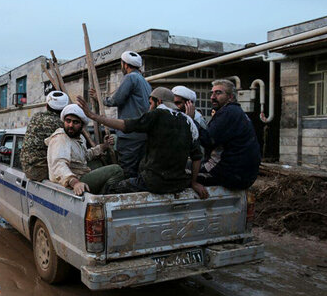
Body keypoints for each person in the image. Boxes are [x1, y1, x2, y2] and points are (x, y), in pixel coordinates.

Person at [77, 88, 208, 198]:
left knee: (112, 189)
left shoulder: (157, 114)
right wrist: (194, 182)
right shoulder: (189, 121)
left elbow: (124, 125)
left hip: (153, 182)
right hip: (178, 184)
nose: (149, 107)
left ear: (159, 102)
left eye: (151, 103)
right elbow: (197, 157)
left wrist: (93, 116)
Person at [185, 79, 261, 190]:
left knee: (180, 174)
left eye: (218, 93)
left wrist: (191, 120)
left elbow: (207, 140)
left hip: (230, 175)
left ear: (230, 97)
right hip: (243, 175)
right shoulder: (237, 112)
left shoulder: (228, 112)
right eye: (212, 93)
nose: (212, 97)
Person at [89, 50, 151, 178]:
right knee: (139, 170)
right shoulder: (145, 82)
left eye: (121, 64)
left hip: (129, 135)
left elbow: (116, 100)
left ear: (125, 65)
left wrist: (99, 98)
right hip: (142, 135)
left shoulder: (130, 77)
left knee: (126, 171)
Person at [45, 104, 124, 196]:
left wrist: (104, 146)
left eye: (75, 122)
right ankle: (102, 198)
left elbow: (85, 155)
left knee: (98, 163)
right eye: (68, 121)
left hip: (80, 173)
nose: (71, 125)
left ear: (82, 125)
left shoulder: (79, 138)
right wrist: (75, 182)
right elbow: (59, 165)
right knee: (116, 170)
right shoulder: (60, 138)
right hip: (70, 181)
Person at [20, 91, 68, 181]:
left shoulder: (36, 117)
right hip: (41, 171)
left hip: (27, 168)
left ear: (46, 106)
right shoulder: (61, 125)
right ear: (64, 109)